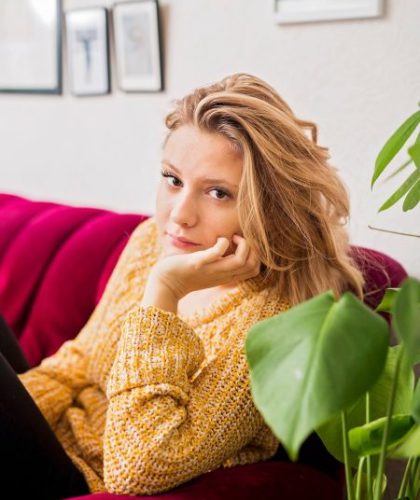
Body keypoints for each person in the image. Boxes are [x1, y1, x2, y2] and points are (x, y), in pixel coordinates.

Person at [0, 72, 365, 498]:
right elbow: (78, 362)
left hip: (79, 477)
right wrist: (20, 414)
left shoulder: (275, 320)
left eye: (218, 193)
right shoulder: (148, 244)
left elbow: (136, 470)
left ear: (269, 207)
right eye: (173, 180)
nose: (180, 215)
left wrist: (164, 293)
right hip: (46, 440)